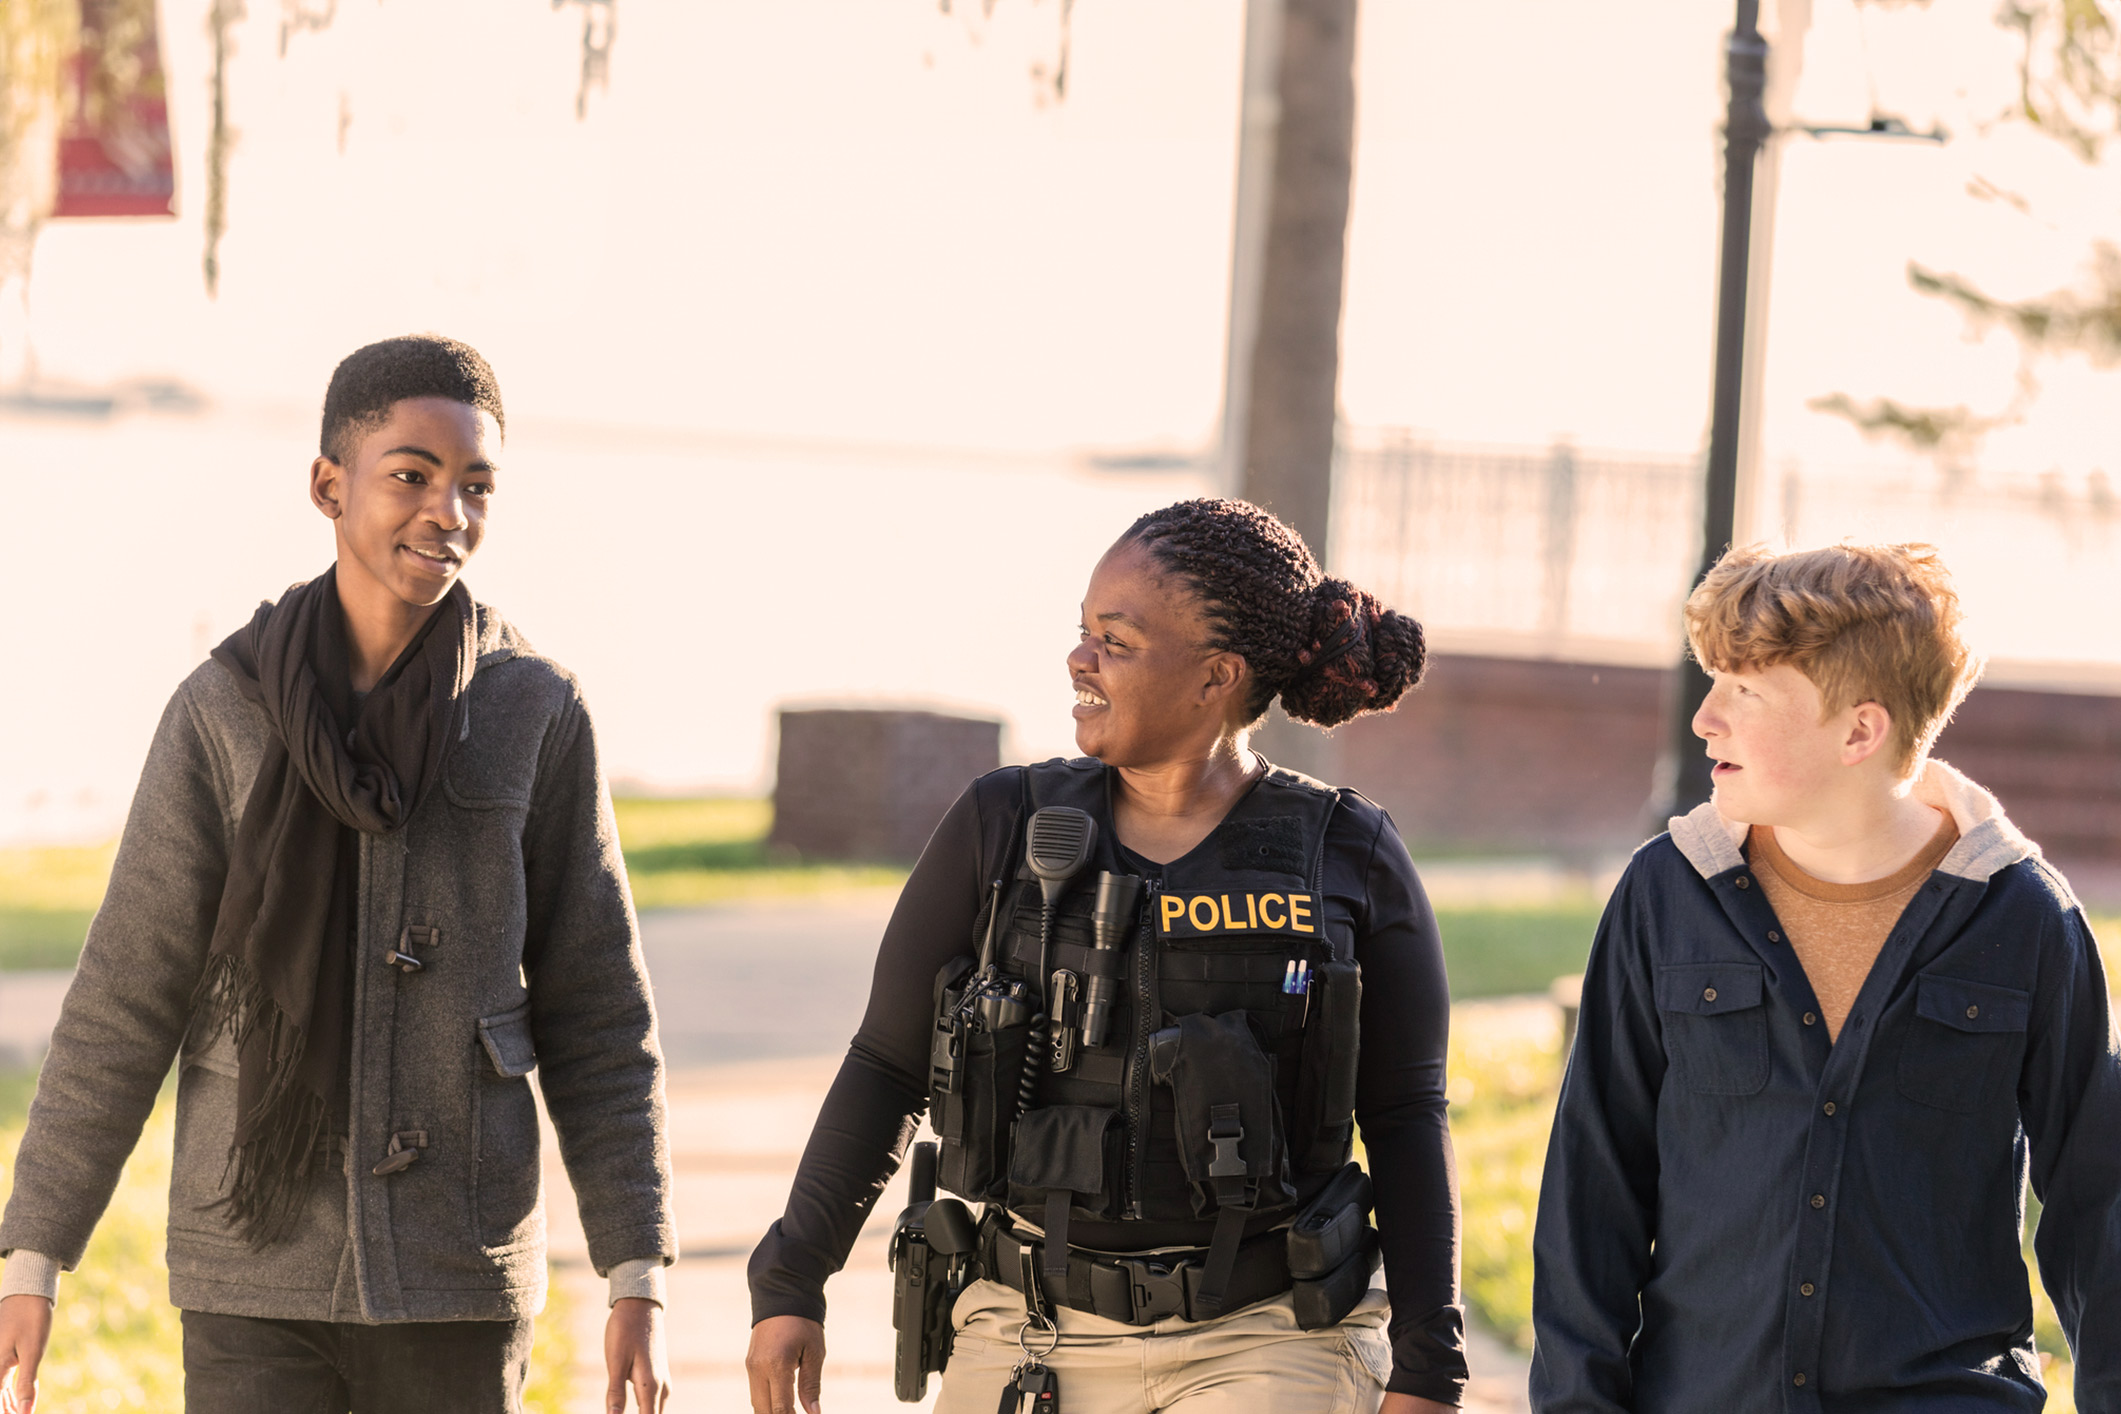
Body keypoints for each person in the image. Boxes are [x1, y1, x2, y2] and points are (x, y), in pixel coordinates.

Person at [0, 335, 676, 1414]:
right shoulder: (221, 710)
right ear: (330, 484)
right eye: (411, 473)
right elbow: (127, 993)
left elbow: (599, 1007)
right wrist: (36, 1251)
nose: (445, 511)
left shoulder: (533, 710)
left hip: (457, 1271)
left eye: (475, 485)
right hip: (251, 1269)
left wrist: (635, 1265)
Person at [745, 498, 1466, 1414]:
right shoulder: (1000, 826)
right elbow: (886, 1064)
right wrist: (791, 1283)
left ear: (1215, 676)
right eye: (1081, 632)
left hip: (1267, 1337)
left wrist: (1428, 1366)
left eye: (1114, 641)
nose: (1079, 659)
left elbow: (1407, 1113)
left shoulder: (1346, 851)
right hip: (1030, 1326)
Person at [1531, 542, 2121, 1412]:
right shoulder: (1664, 894)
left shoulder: (2024, 917)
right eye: (1713, 681)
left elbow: (2097, 1202)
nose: (1705, 718)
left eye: (1747, 691)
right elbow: (1592, 1184)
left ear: (1859, 730)